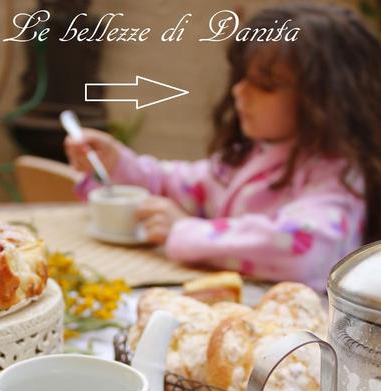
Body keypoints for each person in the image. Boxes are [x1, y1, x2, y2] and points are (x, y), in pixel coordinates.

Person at [65, 3, 381, 291]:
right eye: (243, 76)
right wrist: (117, 163)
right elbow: (181, 184)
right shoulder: (252, 155)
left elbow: (304, 249)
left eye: (265, 85)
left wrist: (186, 232)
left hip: (296, 336)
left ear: (324, 101)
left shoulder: (337, 176)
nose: (239, 90)